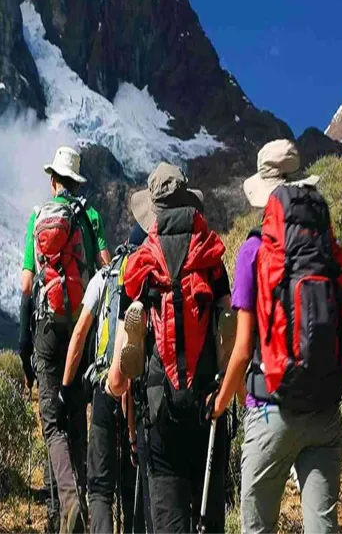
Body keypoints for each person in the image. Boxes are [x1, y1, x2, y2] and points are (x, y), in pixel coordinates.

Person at [212, 139, 342, 534]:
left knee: (257, 528)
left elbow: (242, 349)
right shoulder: (327, 246)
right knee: (323, 527)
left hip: (270, 409)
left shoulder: (253, 251)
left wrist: (219, 403)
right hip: (324, 409)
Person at [107, 163, 232, 534]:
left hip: (159, 412)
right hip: (208, 407)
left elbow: (117, 380)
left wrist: (118, 389)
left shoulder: (139, 265)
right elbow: (229, 334)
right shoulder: (211, 258)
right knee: (210, 523)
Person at [19, 146, 111, 534]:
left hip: (46, 330)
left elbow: (26, 285)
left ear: (54, 181)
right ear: (76, 183)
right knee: (75, 418)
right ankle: (79, 508)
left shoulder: (37, 217)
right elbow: (107, 268)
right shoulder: (90, 217)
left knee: (51, 424)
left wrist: (24, 346)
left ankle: (65, 506)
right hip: (80, 330)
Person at [62, 225, 148, 534]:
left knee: (99, 486)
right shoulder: (149, 279)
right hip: (138, 394)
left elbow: (80, 333)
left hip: (104, 386)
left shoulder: (104, 276)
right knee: (133, 481)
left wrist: (66, 386)